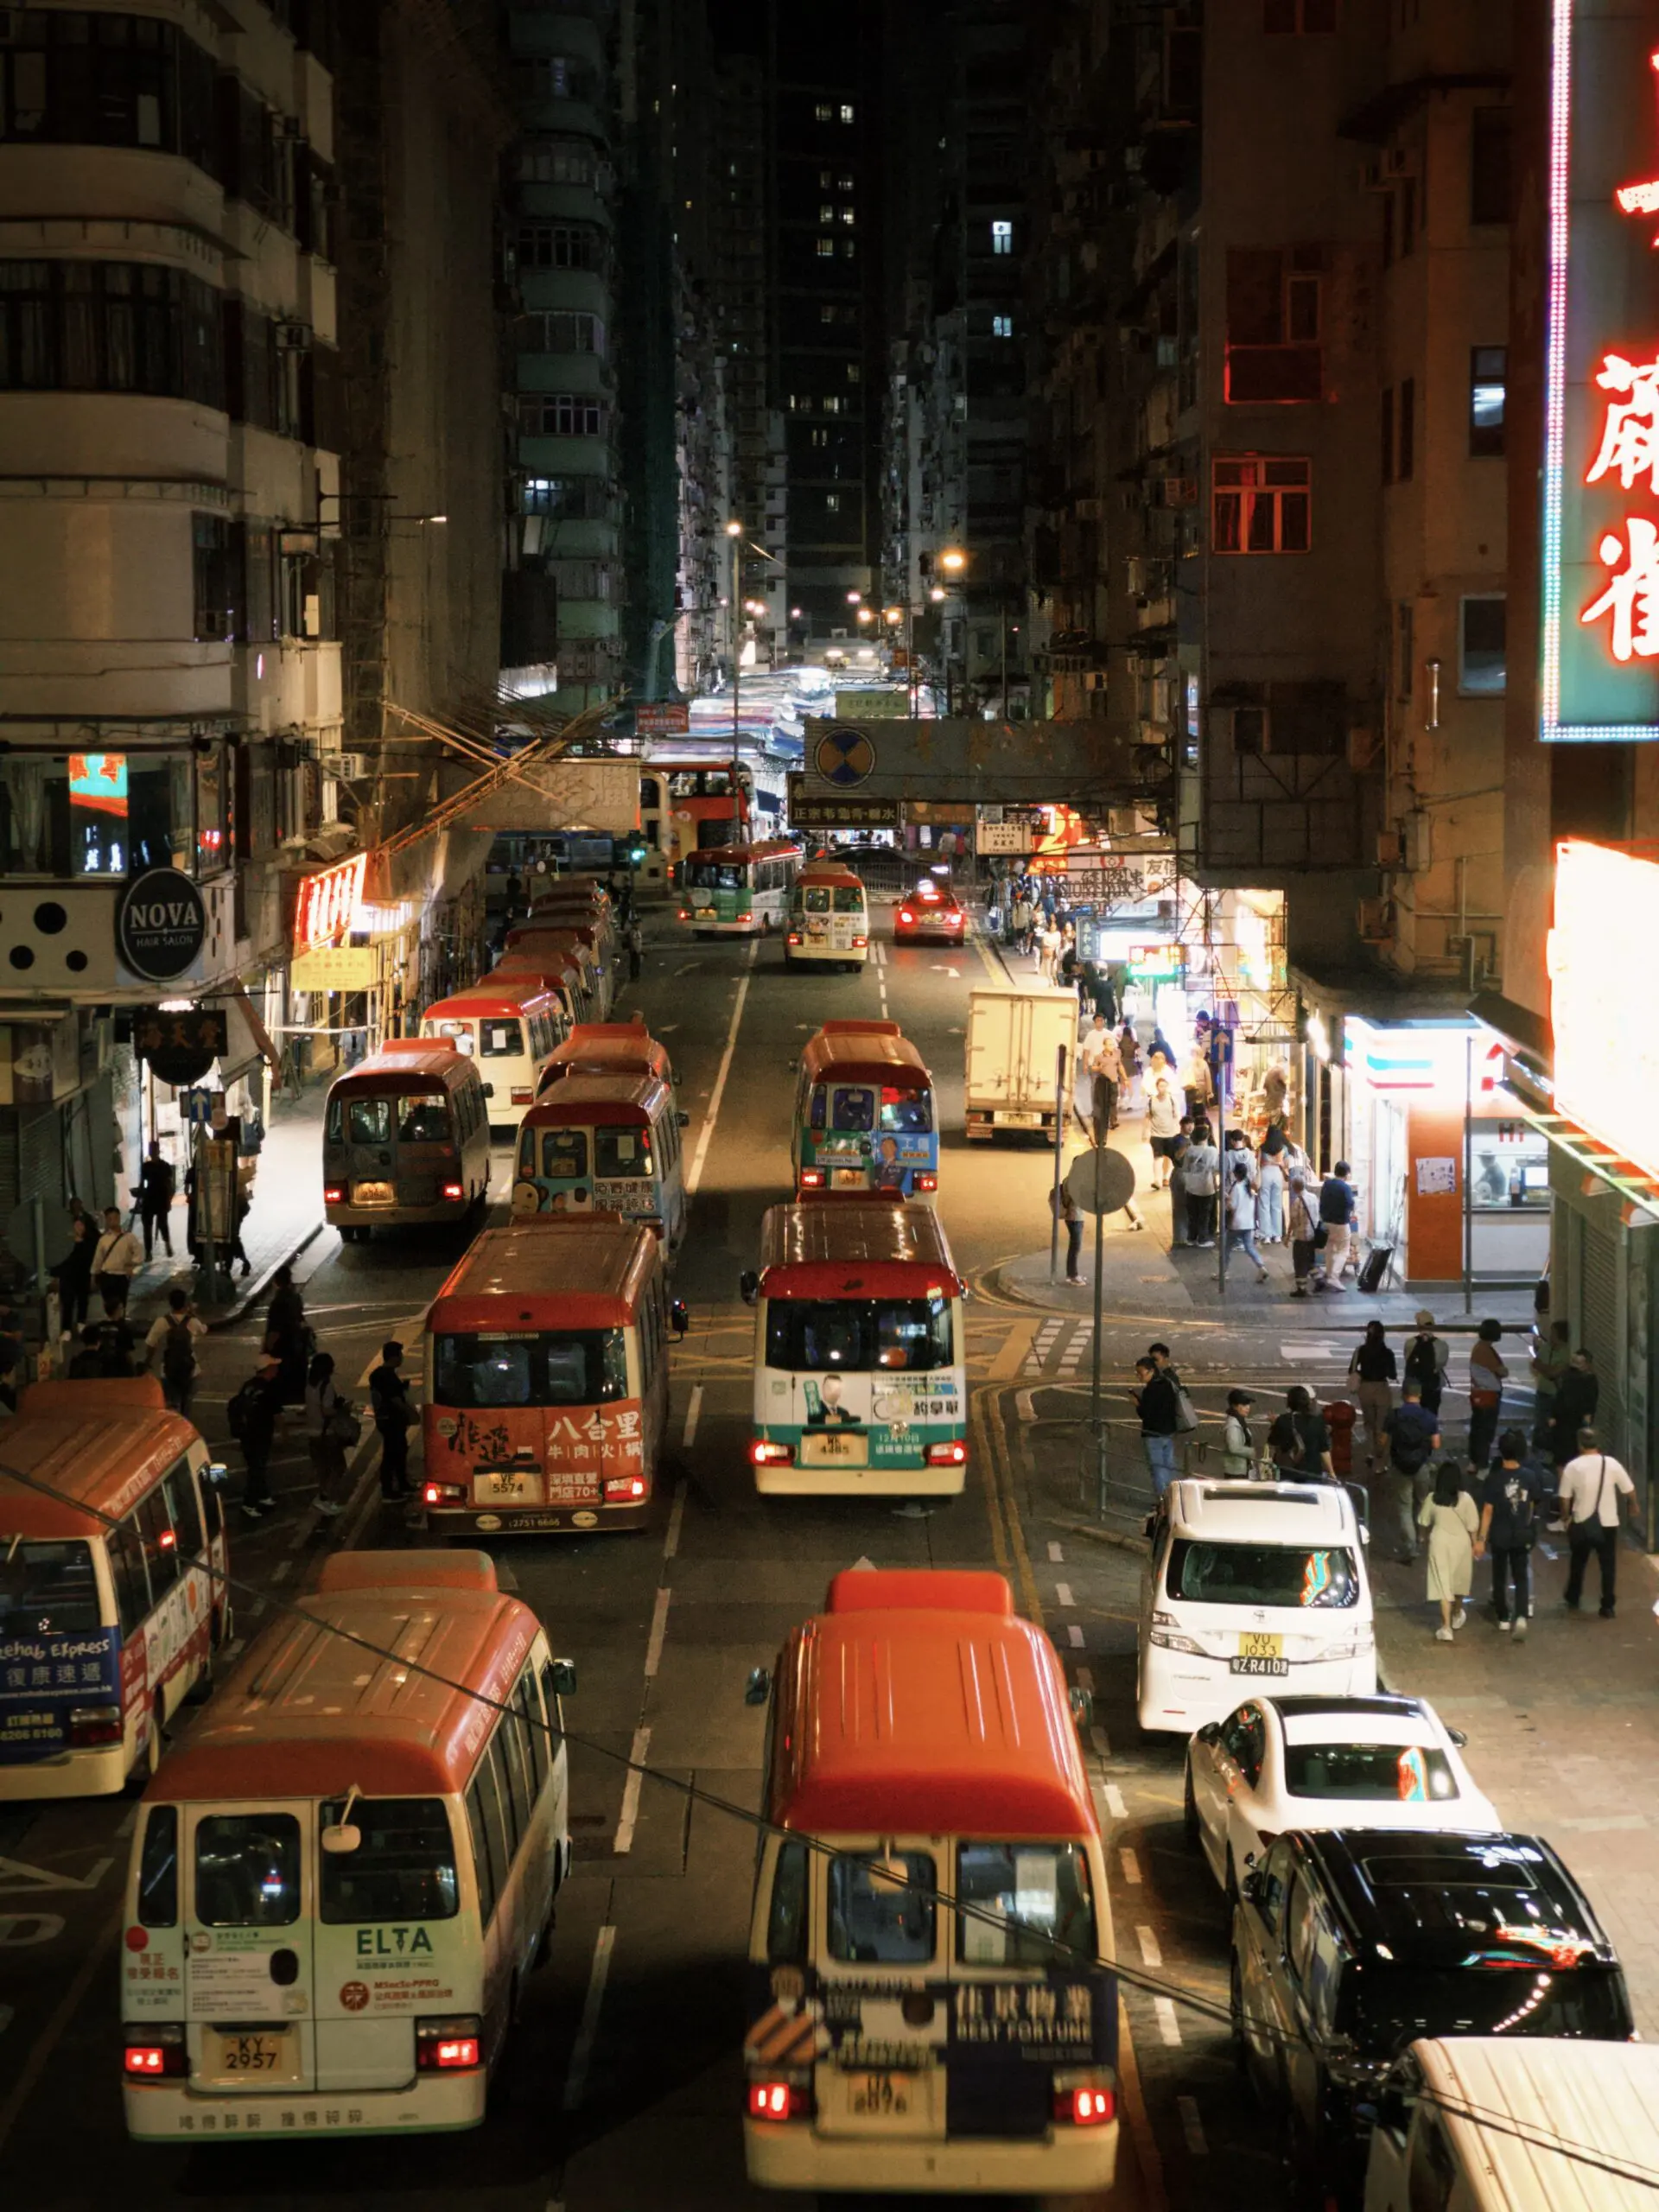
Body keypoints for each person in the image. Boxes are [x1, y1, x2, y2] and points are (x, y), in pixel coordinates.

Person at [1558, 1426, 1638, 1618]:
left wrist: (1565, 1517)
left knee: (1578, 1561)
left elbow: (1564, 1498)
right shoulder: (1611, 1464)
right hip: (1608, 1523)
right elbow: (1629, 1490)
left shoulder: (1573, 1466)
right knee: (1608, 1565)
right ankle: (1608, 1605)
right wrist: (1633, 1505)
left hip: (1582, 1522)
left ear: (1579, 1444)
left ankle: (1574, 1595)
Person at [1474, 1429, 1543, 1639]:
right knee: (1521, 1575)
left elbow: (1487, 1510)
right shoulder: (1530, 1477)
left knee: (1499, 1574)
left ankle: (1503, 1616)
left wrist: (1481, 1539)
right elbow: (1533, 1504)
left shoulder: (1494, 1479)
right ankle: (1521, 1615)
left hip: (1500, 1534)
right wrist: (1528, 1524)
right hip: (1522, 1532)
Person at [1381, 1379, 1442, 1563]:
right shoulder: (1428, 1417)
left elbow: (1383, 1441)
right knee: (1423, 1501)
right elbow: (1436, 1444)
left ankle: (1411, 1546)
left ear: (1403, 1394)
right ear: (1420, 1395)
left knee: (1404, 1506)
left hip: (1400, 1465)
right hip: (1421, 1464)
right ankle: (1422, 1535)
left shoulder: (1394, 1415)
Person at [1418, 1461, 1478, 1643]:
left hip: (1439, 1543)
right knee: (1459, 1582)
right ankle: (1457, 1613)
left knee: (1443, 1584)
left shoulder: (1432, 1498)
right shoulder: (1466, 1499)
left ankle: (1446, 1628)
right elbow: (1473, 1526)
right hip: (1461, 1544)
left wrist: (1422, 1538)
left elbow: (1423, 1522)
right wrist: (1475, 1545)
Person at [226, 1351, 284, 1518]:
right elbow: (277, 1414)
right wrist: (284, 1434)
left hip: (247, 1433)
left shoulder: (248, 1385)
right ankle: (249, 1503)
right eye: (274, 1366)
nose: (276, 1369)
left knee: (256, 1465)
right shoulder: (269, 1388)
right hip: (261, 1434)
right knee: (257, 1468)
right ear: (268, 1369)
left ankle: (264, 1495)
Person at [304, 1350, 353, 1518]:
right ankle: (325, 1499)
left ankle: (324, 1498)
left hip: (313, 1432)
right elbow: (327, 1410)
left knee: (323, 1469)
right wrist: (342, 1409)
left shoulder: (310, 1385)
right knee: (338, 1467)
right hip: (327, 1434)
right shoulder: (327, 1386)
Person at [145, 1287, 207, 1418]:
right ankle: (186, 1422)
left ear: (170, 1303)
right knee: (187, 1400)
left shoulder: (162, 1322)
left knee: (171, 1402)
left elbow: (150, 1343)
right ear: (185, 1303)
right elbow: (204, 1330)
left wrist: (148, 1361)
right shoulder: (192, 1322)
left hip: (168, 1368)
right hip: (190, 1368)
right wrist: (193, 1313)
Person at [1347, 1320, 1398, 1471]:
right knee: (1382, 1425)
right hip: (1381, 1388)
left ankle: (1370, 1452)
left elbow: (1352, 1369)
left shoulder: (1361, 1351)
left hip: (1365, 1388)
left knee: (1369, 1423)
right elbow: (1392, 1374)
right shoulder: (1387, 1353)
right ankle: (1380, 1461)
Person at [369, 1339, 416, 1502]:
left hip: (386, 1419)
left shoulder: (379, 1374)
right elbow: (394, 1399)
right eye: (400, 1354)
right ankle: (388, 1490)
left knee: (399, 1450)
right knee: (392, 1453)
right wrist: (410, 1412)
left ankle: (402, 1484)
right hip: (391, 1421)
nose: (402, 1357)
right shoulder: (386, 1376)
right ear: (394, 1357)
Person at [1134, 1355, 1180, 1497]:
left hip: (1153, 1434)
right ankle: (1173, 1498)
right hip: (1169, 1432)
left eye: (1141, 1374)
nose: (1139, 1377)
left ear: (1151, 1371)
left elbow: (1146, 1414)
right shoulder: (1167, 1384)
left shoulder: (1150, 1390)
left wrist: (1137, 1404)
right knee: (1169, 1467)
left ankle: (1162, 1501)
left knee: (1158, 1469)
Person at [1267, 1386, 1333, 1479]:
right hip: (1312, 1473)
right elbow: (1324, 1451)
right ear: (1308, 1402)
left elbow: (1273, 1441)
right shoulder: (1317, 1421)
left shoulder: (1283, 1420)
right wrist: (1332, 1473)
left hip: (1289, 1472)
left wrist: (1274, 1425)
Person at [1548, 1348, 1599, 1471]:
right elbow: (1590, 1403)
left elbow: (1559, 1398)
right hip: (1574, 1424)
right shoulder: (1589, 1379)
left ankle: (1564, 1487)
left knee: (1562, 1459)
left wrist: (1553, 1416)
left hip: (1564, 1423)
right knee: (1574, 1458)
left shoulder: (1567, 1377)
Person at [265, 1263, 309, 1405]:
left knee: (282, 1382)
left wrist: (267, 1350)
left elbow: (275, 1330)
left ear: (276, 1282)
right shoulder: (296, 1297)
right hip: (297, 1346)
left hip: (283, 1348)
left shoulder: (278, 1302)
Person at [1467, 1319, 1508, 1470]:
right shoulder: (1485, 1351)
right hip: (1488, 1395)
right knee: (1485, 1431)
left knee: (1477, 1429)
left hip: (1479, 1394)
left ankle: (1474, 1461)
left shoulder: (1479, 1348)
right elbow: (1502, 1371)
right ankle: (1482, 1464)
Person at [1224, 1155, 1269, 1281]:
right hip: (1249, 1224)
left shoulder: (1237, 1188)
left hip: (1236, 1224)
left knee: (1226, 1248)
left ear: (1235, 1174)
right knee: (1249, 1248)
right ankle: (1261, 1267)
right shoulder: (1249, 1187)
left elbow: (1232, 1206)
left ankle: (1223, 1272)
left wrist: (1227, 1199)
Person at [48, 1214, 96, 1333]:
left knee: (83, 1300)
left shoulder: (90, 1242)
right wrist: (55, 1275)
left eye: (81, 1225)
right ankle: (67, 1328)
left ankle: (81, 1323)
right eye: (76, 1225)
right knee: (68, 1302)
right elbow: (59, 1259)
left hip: (84, 1275)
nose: (79, 1227)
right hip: (68, 1276)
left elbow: (93, 1260)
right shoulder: (66, 1242)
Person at [92, 1205, 143, 1314]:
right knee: (109, 1306)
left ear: (119, 1218)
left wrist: (132, 1265)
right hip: (107, 1276)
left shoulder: (129, 1238)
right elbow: (98, 1259)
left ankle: (120, 1325)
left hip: (122, 1276)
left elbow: (139, 1254)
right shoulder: (103, 1240)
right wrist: (94, 1275)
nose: (112, 1221)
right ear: (106, 1221)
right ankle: (111, 1325)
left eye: (114, 1218)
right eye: (109, 1219)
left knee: (121, 1305)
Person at [1529, 1319, 1572, 1450]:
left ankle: (1550, 1452)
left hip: (1555, 1395)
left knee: (1552, 1426)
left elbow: (1554, 1373)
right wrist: (1548, 1368)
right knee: (1539, 1423)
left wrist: (1545, 1368)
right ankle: (1538, 1449)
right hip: (1542, 1391)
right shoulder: (1547, 1347)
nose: (1550, 1335)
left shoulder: (1566, 1353)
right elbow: (1536, 1363)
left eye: (1553, 1333)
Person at [1080, 1015, 1122, 1144]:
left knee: (1112, 1095)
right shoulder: (1090, 1035)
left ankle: (1112, 1119)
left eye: (1101, 1020)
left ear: (1104, 1021)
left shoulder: (1109, 1034)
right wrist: (1085, 1065)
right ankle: (1097, 1112)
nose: (1099, 1022)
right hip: (1096, 1067)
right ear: (1094, 1022)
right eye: (1097, 1020)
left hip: (1109, 1068)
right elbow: (1086, 1051)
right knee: (1096, 1089)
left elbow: (1116, 1049)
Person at [1144, 1055, 1184, 1189]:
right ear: (1157, 1087)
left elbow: (1177, 1116)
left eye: (1165, 1086)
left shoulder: (1172, 1100)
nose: (1163, 1089)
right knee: (1157, 1157)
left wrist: (1179, 1132)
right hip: (1156, 1134)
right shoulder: (1151, 1101)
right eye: (1161, 1086)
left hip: (1170, 1133)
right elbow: (1147, 1116)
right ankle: (1157, 1180)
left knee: (1168, 1157)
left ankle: (1166, 1177)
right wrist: (1145, 1132)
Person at [1317, 1161, 1357, 1289]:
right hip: (1341, 1223)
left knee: (1330, 1248)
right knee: (1343, 1250)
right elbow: (1350, 1204)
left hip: (1326, 1221)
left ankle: (1328, 1273)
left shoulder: (1327, 1184)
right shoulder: (1345, 1188)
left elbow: (1321, 1200)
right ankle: (1334, 1277)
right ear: (1346, 1174)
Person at [1403, 1310, 1449, 1417]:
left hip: (1413, 1386)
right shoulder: (1441, 1345)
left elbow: (1407, 1358)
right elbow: (1441, 1364)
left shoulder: (1410, 1343)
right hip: (1432, 1386)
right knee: (1431, 1415)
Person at [1181, 1120, 1219, 1249]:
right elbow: (1216, 1169)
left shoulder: (1190, 1150)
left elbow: (1185, 1168)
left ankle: (1191, 1238)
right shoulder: (1212, 1151)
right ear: (1207, 1136)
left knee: (1192, 1214)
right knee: (1204, 1214)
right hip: (1206, 1187)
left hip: (1191, 1186)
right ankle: (1203, 1239)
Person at [136, 1140, 176, 1261]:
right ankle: (149, 1251)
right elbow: (142, 1183)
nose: (153, 1152)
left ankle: (167, 1245)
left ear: (158, 1151)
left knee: (162, 1224)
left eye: (154, 1149)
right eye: (151, 1149)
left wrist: (169, 1200)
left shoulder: (164, 1166)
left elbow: (170, 1185)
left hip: (160, 1199)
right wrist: (140, 1198)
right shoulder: (147, 1166)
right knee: (148, 1226)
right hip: (151, 1199)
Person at [1287, 1172, 1319, 1297]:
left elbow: (1293, 1222)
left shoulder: (1297, 1202)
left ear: (1294, 1187)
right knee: (1310, 1260)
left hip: (1302, 1237)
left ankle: (1301, 1288)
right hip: (1313, 1234)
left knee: (1299, 1262)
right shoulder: (1313, 1197)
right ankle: (1319, 1279)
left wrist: (1288, 1236)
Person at [1051, 1180, 1084, 1284]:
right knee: (1075, 1246)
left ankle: (1072, 1274)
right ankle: (1072, 1275)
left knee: (1075, 1246)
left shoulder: (1071, 1179)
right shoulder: (1072, 1180)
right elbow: (1075, 1197)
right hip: (1074, 1216)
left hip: (1076, 1215)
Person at [1255, 1141, 1285, 1246]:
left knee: (1264, 1205)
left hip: (1265, 1173)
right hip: (1277, 1174)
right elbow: (1283, 1164)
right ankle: (1277, 1235)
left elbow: (1258, 1163)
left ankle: (1266, 1235)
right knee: (1277, 1206)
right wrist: (1276, 1163)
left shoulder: (1262, 1147)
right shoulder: (1281, 1147)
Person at [1221, 1389, 1255, 1477]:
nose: (1248, 1407)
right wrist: (1250, 1451)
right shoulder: (1233, 1425)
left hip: (1241, 1469)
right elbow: (1234, 1448)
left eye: (1248, 1404)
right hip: (1235, 1472)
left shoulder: (1239, 1420)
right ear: (1234, 1406)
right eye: (1244, 1405)